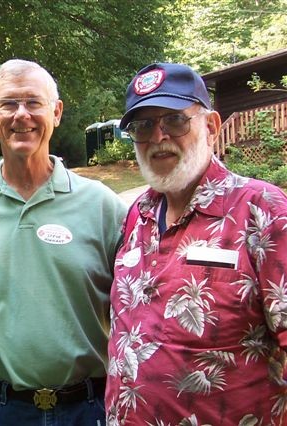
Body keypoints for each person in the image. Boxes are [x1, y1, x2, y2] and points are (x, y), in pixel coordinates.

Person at [0, 59, 127, 425]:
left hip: (88, 408)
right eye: (8, 104)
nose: (22, 115)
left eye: (34, 102)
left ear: (57, 112)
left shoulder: (102, 207)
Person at [105, 62, 287, 424]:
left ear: (212, 126)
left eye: (174, 120)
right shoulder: (138, 214)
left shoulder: (262, 211)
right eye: (143, 126)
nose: (158, 137)